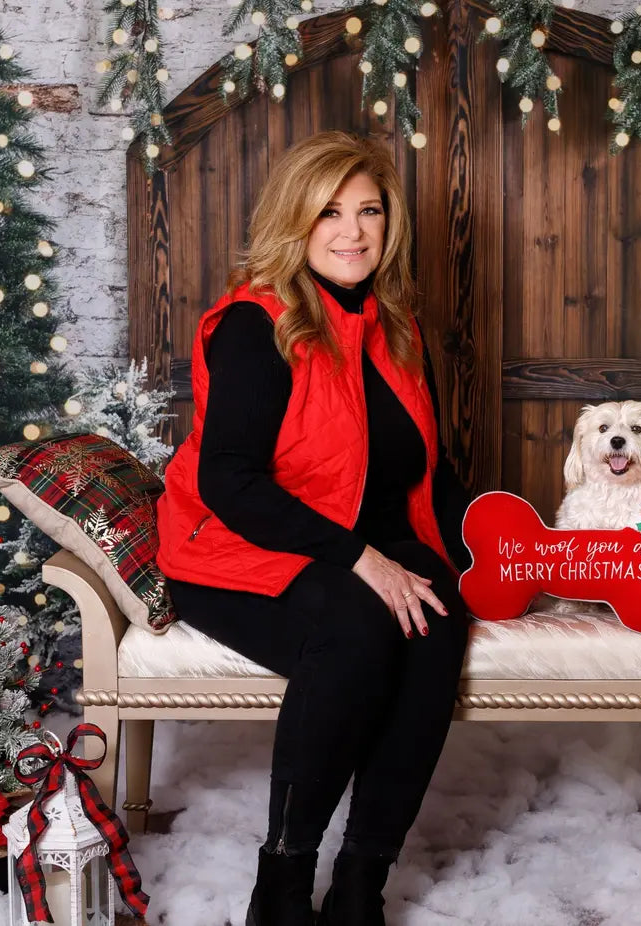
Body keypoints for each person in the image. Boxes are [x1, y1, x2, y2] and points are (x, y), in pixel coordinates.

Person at [155, 130, 473, 926]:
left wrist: (505, 558)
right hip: (231, 551)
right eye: (329, 212)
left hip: (341, 542)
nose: (352, 231)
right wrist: (360, 558)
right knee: (358, 626)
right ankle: (284, 879)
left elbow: (427, 473)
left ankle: (364, 877)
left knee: (436, 613)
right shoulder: (253, 325)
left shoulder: (395, 328)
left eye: (369, 210)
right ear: (293, 221)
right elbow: (230, 481)